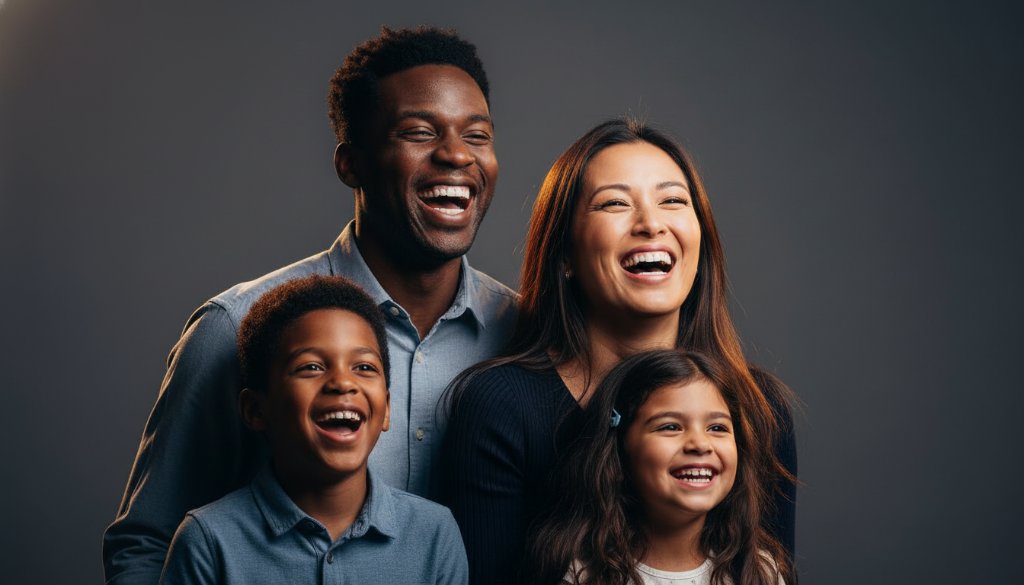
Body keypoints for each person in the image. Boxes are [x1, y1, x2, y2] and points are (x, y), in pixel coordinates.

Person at [105, 27, 516, 585]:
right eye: (419, 132)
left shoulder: (527, 334)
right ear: (351, 164)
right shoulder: (236, 328)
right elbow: (146, 545)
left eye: (477, 135)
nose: (455, 155)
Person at [440, 119, 796, 584]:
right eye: (614, 203)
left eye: (672, 200)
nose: (651, 224)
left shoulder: (758, 410)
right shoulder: (502, 407)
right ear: (564, 254)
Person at [159, 275, 468, 584]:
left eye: (363, 367)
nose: (343, 383)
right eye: (311, 367)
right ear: (255, 410)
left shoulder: (434, 535)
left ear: (386, 409)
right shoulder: (208, 542)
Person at [521, 350, 790, 585]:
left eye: (717, 428)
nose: (700, 444)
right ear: (620, 447)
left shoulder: (759, 573)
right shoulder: (582, 575)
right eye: (670, 427)